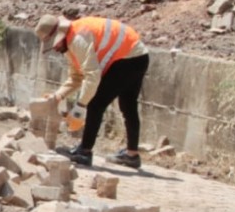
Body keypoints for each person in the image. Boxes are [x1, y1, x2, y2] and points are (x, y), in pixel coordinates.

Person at [35, 14, 150, 168]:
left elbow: (92, 76)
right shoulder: (69, 43)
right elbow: (76, 77)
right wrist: (58, 96)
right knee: (128, 105)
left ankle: (85, 152)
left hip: (128, 58)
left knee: (96, 103)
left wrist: (80, 107)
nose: (54, 49)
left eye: (54, 44)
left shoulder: (78, 40)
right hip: (137, 55)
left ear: (59, 36)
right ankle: (132, 155)